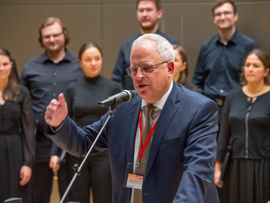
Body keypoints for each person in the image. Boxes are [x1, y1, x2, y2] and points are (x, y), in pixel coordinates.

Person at [44, 33, 219, 203]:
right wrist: (59, 123)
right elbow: (85, 142)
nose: (139, 76)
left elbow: (196, 174)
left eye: (148, 68)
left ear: (170, 69)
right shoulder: (123, 106)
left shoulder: (199, 110)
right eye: (134, 69)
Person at [20, 17, 84, 203]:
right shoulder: (31, 67)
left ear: (64, 35)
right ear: (41, 39)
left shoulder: (78, 65)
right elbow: (22, 103)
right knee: (39, 194)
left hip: (70, 140)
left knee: (70, 194)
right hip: (39, 141)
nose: (52, 39)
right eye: (47, 36)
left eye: (56, 34)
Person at [64, 42, 121, 203]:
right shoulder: (72, 88)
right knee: (77, 198)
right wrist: (55, 153)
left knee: (103, 197)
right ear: (80, 63)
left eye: (97, 58)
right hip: (76, 151)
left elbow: (118, 124)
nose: (93, 63)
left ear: (102, 60)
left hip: (103, 153)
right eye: (88, 59)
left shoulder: (113, 88)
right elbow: (65, 121)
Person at [214, 49, 270, 203]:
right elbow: (224, 133)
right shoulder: (233, 96)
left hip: (263, 165)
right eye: (247, 65)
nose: (250, 69)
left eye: (256, 66)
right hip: (234, 165)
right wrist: (217, 167)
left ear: (266, 71)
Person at [192, 0, 256, 123]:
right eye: (218, 14)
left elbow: (254, 80)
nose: (222, 17)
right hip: (210, 108)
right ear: (214, 19)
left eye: (227, 13)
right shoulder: (206, 46)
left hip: (237, 108)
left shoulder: (248, 45)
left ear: (235, 16)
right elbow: (197, 80)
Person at [112, 0, 179, 90]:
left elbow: (178, 77)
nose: (144, 14)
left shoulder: (171, 43)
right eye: (141, 10)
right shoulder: (127, 45)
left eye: (149, 10)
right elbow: (116, 79)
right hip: (132, 101)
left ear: (159, 13)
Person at [0, 48, 35, 202]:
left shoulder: (22, 92)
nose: (1, 68)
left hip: (15, 151)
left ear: (11, 64)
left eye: (5, 64)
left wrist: (28, 163)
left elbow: (28, 130)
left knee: (15, 196)